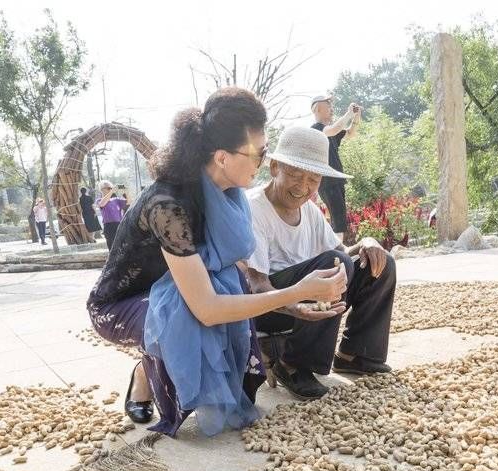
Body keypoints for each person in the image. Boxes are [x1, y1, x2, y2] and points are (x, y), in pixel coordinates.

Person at [86, 88, 347, 437]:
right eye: (259, 153)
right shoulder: (168, 205)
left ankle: (180, 365)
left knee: (229, 282)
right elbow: (207, 307)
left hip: (178, 288)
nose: (264, 161)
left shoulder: (229, 194)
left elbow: (235, 272)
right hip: (123, 303)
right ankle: (146, 375)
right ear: (223, 157)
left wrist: (291, 301)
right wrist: (295, 291)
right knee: (186, 314)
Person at [245, 126, 395, 401]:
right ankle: (293, 364)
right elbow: (256, 284)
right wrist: (295, 304)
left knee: (381, 263)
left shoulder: (309, 211)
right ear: (275, 167)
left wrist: (368, 243)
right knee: (335, 264)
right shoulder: (253, 208)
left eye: (313, 179)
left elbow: (344, 253)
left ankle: (355, 354)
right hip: (267, 306)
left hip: (307, 297)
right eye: (294, 174)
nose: (303, 187)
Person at [310, 94, 361, 241]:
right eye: (328, 105)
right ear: (318, 109)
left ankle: (336, 252)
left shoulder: (330, 131)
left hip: (336, 181)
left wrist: (356, 117)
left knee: (339, 220)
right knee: (338, 222)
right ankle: (337, 254)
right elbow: (334, 129)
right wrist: (349, 113)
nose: (332, 109)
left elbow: (351, 133)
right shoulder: (316, 129)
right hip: (328, 181)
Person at [96, 181, 128, 250]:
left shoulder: (116, 200)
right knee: (112, 248)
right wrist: (112, 191)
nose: (110, 189)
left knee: (122, 246)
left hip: (119, 224)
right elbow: (102, 204)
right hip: (109, 226)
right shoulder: (99, 200)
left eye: (111, 188)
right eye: (108, 188)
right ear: (101, 189)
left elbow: (129, 202)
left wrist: (126, 190)